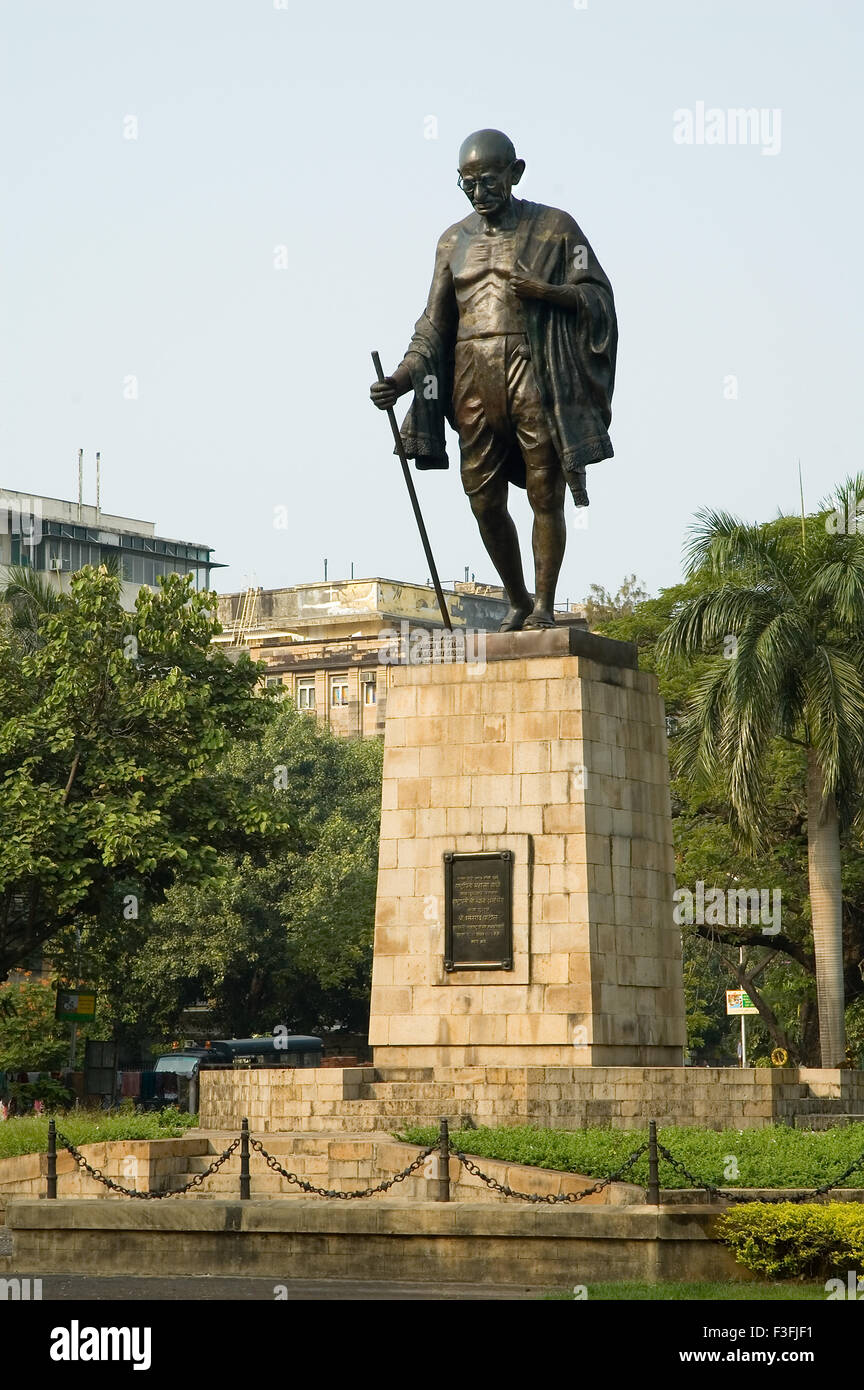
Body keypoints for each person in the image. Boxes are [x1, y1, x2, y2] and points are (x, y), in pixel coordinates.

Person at [371, 129, 617, 631]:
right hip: (470, 376)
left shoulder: (556, 229)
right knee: (482, 499)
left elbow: (598, 297)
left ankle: (544, 607)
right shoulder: (451, 241)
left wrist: (548, 292)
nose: (479, 193)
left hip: (533, 367)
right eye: (467, 184)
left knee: (543, 490)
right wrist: (401, 378)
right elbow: (435, 323)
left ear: (515, 172)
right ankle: (517, 598)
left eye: (487, 181)